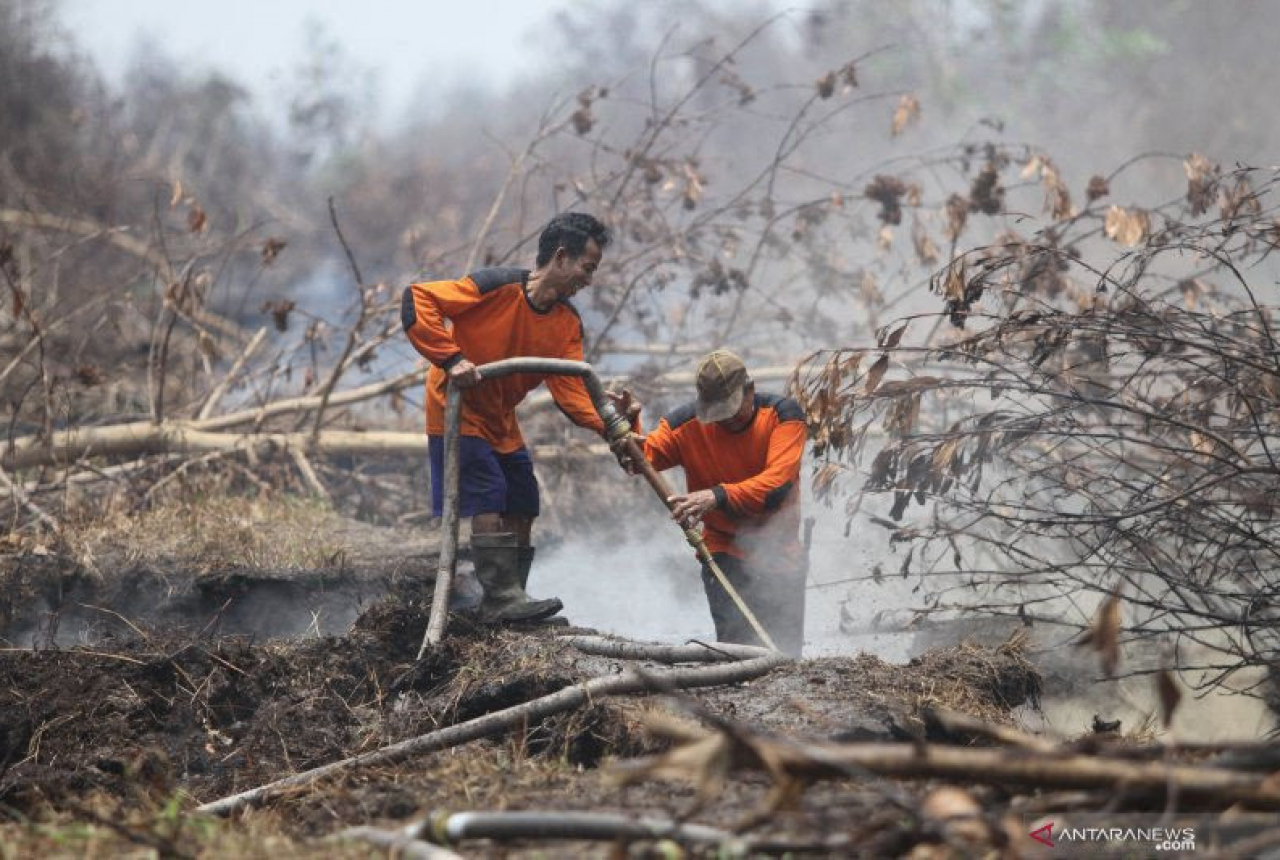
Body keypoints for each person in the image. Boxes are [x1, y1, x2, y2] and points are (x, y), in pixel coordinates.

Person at [401, 212, 622, 623]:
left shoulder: (566, 323)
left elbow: (572, 390)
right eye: (586, 268)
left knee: (523, 496)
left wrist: (612, 426)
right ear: (560, 257)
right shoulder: (491, 288)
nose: (588, 280)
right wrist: (451, 359)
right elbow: (418, 299)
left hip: (499, 418)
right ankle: (501, 599)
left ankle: (513, 599)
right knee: (488, 491)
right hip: (457, 408)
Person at [623, 349, 808, 656]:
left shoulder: (783, 417)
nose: (726, 421)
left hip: (780, 551)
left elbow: (776, 486)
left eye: (732, 410)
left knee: (786, 657)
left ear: (750, 390)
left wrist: (717, 495)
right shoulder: (684, 424)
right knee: (735, 652)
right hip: (723, 552)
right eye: (718, 413)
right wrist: (629, 426)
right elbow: (641, 460)